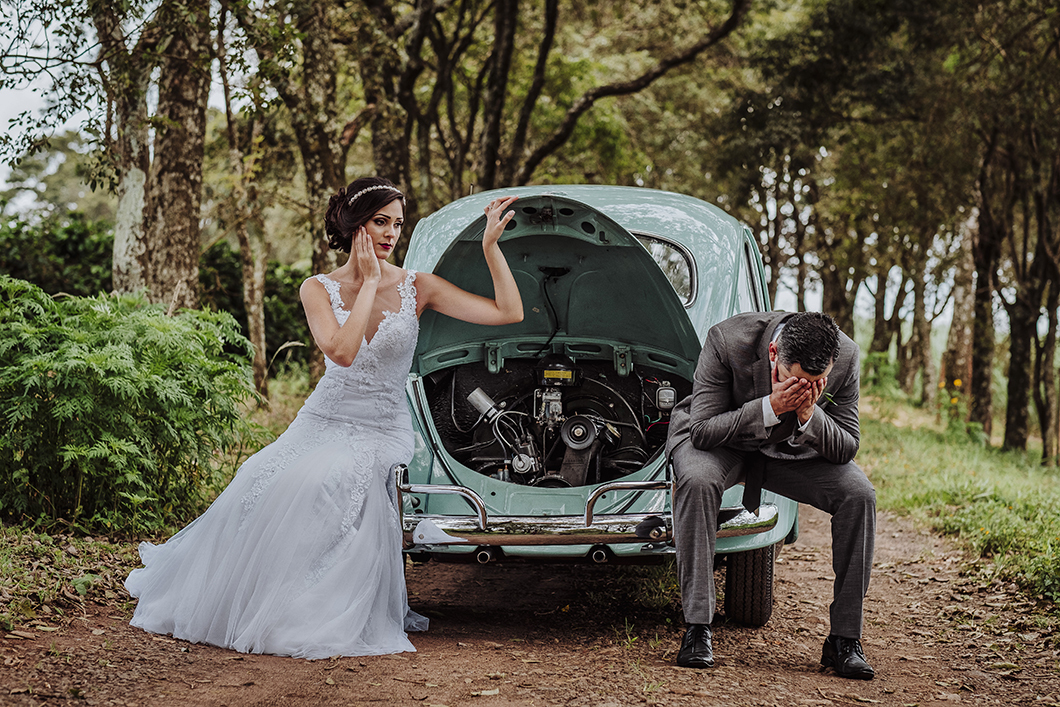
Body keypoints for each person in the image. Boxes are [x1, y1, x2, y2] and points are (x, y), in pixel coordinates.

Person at [125, 177, 523, 659]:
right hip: (324, 416)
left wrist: (490, 247)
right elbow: (342, 351)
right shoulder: (317, 288)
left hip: (381, 425)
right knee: (260, 474)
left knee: (329, 477)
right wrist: (369, 283)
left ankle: (314, 605)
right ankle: (249, 593)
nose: (391, 232)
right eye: (380, 221)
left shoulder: (419, 286)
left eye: (397, 223)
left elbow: (509, 312)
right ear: (356, 225)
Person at [665, 311, 876, 679]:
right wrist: (771, 407)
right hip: (721, 440)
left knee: (860, 495)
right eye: (796, 382)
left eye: (816, 383)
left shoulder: (846, 355)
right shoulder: (728, 340)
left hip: (790, 451)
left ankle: (845, 639)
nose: (806, 388)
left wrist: (809, 412)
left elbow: (847, 446)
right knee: (697, 481)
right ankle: (697, 628)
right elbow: (701, 430)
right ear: (775, 353)